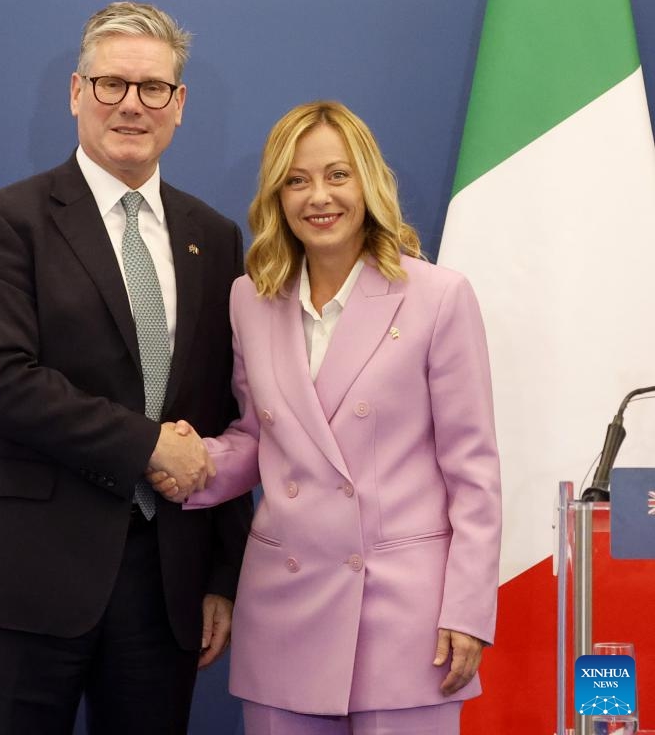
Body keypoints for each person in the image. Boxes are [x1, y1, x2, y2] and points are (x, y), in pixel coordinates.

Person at [0, 1, 252, 735]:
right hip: (23, 578)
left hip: (162, 586)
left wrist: (220, 576)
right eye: (111, 84)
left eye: (152, 88)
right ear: (76, 93)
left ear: (179, 105)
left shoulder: (215, 237)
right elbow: (1, 378)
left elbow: (226, 411)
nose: (131, 105)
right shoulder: (7, 221)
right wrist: (146, 446)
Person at [150, 100, 502, 735]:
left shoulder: (439, 297)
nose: (319, 196)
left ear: (368, 182)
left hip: (407, 615)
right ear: (276, 196)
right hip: (286, 607)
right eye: (297, 179)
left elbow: (473, 472)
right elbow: (264, 440)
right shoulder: (249, 302)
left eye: (337, 175)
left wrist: (470, 609)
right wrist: (194, 466)